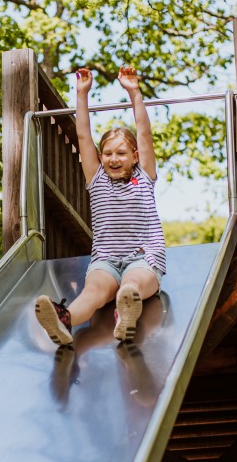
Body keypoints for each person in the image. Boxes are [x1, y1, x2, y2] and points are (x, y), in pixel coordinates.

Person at [35, 65, 167, 345]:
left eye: (121, 153)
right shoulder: (97, 179)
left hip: (143, 259)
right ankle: (64, 320)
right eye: (107, 153)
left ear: (134, 156)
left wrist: (134, 92)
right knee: (92, 294)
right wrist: (81, 94)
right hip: (105, 260)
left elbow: (143, 132)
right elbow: (83, 135)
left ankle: (125, 313)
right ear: (101, 156)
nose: (113, 159)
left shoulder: (144, 176)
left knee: (131, 286)